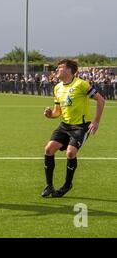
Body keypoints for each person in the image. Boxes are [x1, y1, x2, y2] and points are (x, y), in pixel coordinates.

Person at [42, 59, 105, 198]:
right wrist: (50, 115)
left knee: (70, 153)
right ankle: (49, 186)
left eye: (60, 68)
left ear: (69, 70)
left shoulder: (81, 84)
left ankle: (67, 184)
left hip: (80, 127)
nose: (57, 70)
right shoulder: (57, 87)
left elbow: (101, 100)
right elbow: (57, 112)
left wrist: (96, 121)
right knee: (48, 149)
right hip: (64, 125)